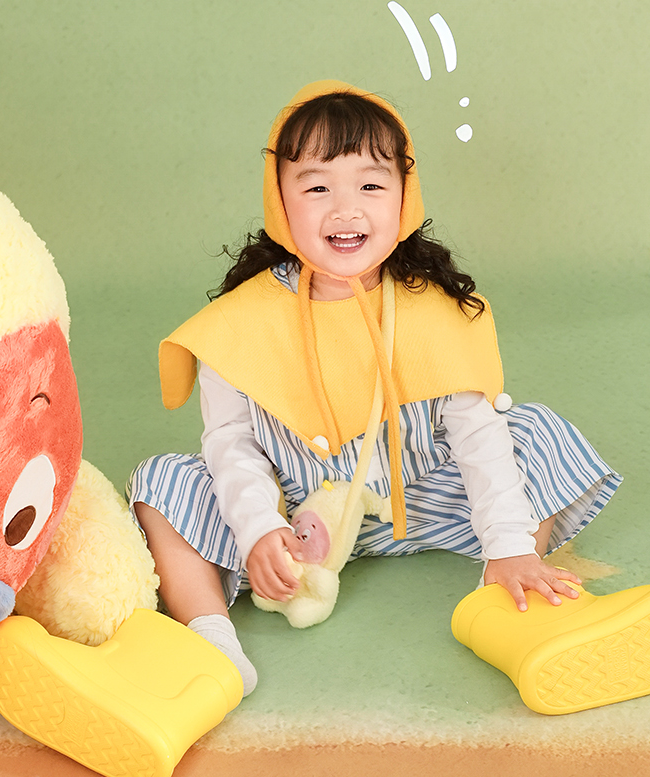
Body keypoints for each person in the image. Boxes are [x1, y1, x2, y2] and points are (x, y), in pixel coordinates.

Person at [129, 80, 620, 696]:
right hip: (296, 519)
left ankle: (507, 589)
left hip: (422, 501)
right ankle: (212, 644)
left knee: (533, 432)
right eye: (316, 187)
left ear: (404, 199)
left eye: (371, 185)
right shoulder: (237, 323)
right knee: (163, 482)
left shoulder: (437, 309)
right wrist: (257, 530)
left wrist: (507, 541)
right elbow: (230, 443)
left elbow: (476, 436)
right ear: (280, 203)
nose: (345, 209)